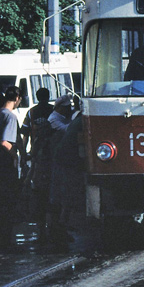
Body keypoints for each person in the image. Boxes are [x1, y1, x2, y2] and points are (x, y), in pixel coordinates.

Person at [0, 87, 22, 251]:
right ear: (16, 98)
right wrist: (15, 156)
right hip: (5, 163)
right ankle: (5, 239)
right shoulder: (10, 116)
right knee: (8, 201)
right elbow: (5, 142)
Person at [47, 95, 84, 250]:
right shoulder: (79, 121)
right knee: (63, 198)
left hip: (64, 161)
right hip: (66, 163)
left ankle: (59, 229)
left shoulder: (76, 119)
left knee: (62, 198)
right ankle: (57, 231)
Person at [20, 88, 55, 237]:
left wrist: (24, 153)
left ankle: (40, 225)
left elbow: (25, 134)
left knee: (37, 190)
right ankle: (51, 224)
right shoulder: (54, 111)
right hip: (52, 156)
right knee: (50, 192)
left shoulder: (31, 112)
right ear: (48, 97)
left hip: (36, 155)